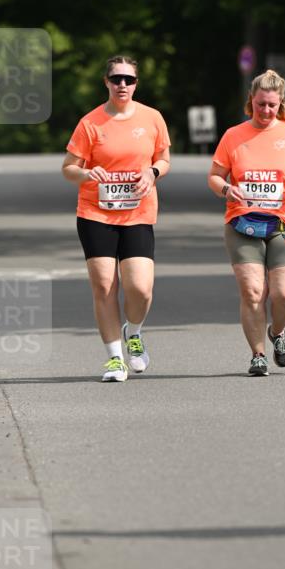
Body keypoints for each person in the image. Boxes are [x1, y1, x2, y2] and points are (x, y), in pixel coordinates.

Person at [62, 55, 170, 381]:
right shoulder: (90, 123)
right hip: (96, 212)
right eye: (116, 79)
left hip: (137, 213)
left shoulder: (152, 118)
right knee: (104, 286)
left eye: (129, 79)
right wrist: (85, 173)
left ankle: (133, 331)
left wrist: (152, 173)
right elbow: (68, 168)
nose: (123, 84)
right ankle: (114, 359)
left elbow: (163, 159)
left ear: (136, 84)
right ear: (106, 82)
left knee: (140, 288)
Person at [208, 69, 285, 376]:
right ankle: (258, 354)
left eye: (272, 105)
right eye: (261, 104)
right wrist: (226, 189)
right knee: (253, 291)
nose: (266, 110)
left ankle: (277, 332)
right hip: (243, 224)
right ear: (251, 101)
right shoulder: (234, 135)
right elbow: (215, 176)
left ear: (280, 102)